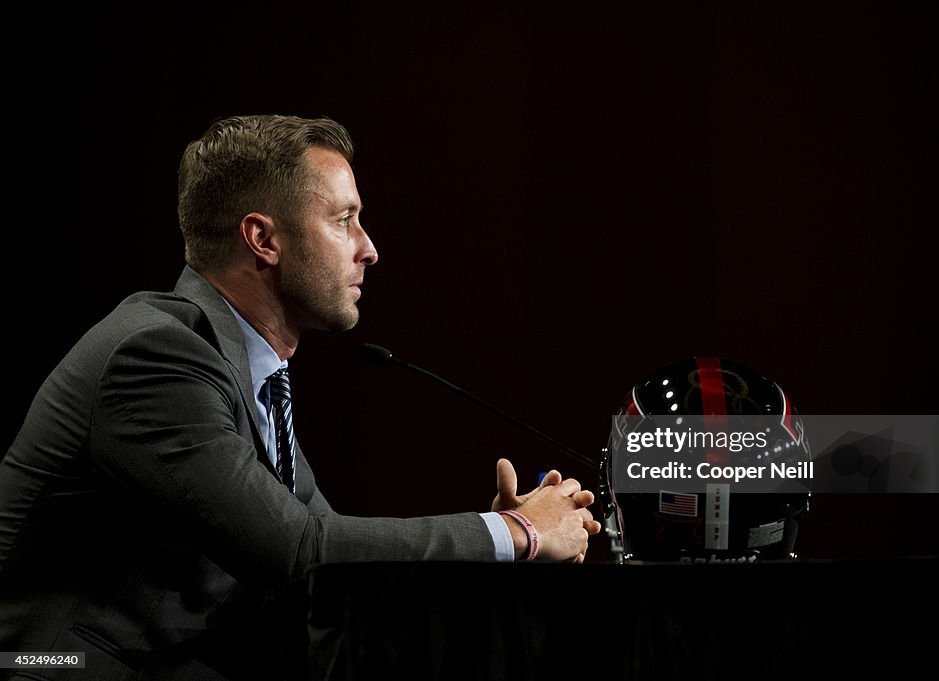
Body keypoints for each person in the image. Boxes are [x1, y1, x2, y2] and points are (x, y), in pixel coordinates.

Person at [0, 114, 601, 680]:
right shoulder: (159, 360)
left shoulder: (245, 369)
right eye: (344, 219)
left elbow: (327, 555)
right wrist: (515, 531)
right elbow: (300, 551)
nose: (368, 248)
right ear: (263, 239)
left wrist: (507, 546)